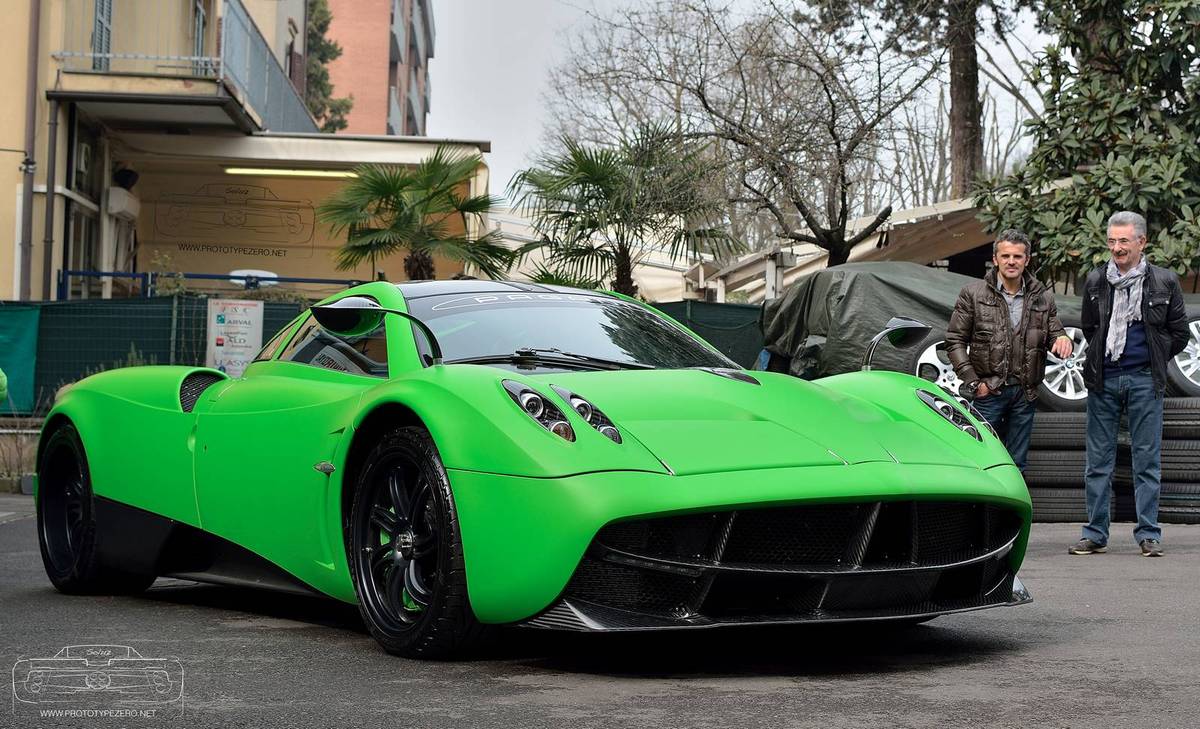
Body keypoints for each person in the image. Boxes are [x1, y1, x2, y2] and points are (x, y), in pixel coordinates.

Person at [1069, 211, 1190, 557]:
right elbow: (1091, 329)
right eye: (1111, 241)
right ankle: (1095, 534)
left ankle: (1149, 534)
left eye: (1124, 240)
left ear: (1142, 242)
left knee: (1146, 460)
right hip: (1103, 379)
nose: (1117, 247)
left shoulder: (1165, 281)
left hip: (1144, 380)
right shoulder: (1096, 280)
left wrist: (1154, 356)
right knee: (1098, 462)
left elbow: (1179, 333)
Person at [945, 229, 1073, 473]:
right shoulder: (973, 294)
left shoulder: (1043, 298)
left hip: (1025, 393)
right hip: (988, 391)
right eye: (1005, 256)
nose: (1011, 261)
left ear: (1027, 259)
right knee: (979, 460)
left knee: (1017, 464)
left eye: (1017, 256)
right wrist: (974, 382)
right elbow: (954, 341)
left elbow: (1055, 332)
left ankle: (1013, 500)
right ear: (995, 259)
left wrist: (1063, 339)